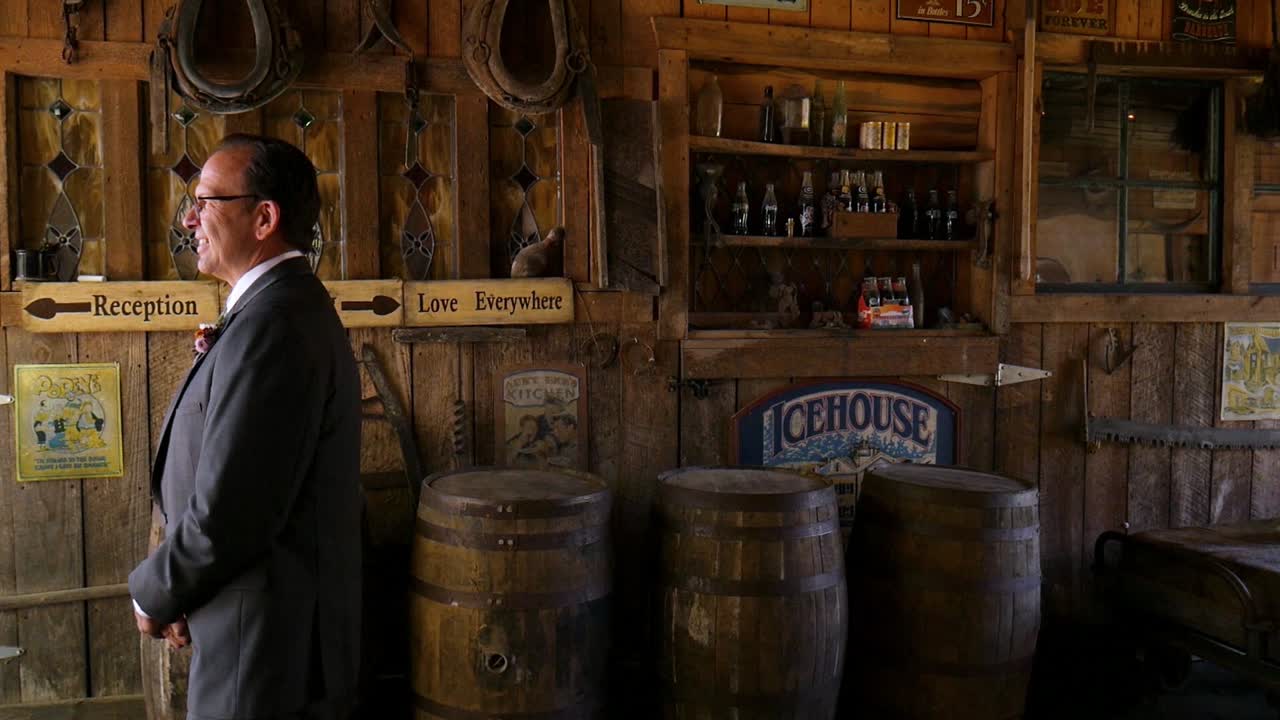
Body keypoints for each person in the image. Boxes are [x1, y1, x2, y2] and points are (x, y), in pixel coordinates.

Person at [129, 134, 362, 720]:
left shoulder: (275, 324)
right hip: (244, 628)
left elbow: (233, 509)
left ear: (264, 219)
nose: (189, 219)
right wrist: (187, 593)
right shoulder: (272, 311)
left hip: (261, 649)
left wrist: (155, 592)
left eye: (206, 202)